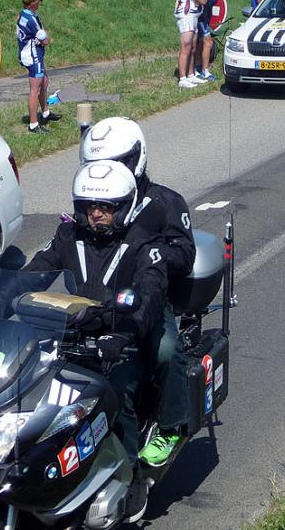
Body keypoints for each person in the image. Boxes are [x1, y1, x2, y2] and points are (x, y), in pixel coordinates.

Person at [24, 160, 170, 523]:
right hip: (70, 338)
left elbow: (150, 296)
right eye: (90, 207)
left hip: (122, 341)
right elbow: (35, 271)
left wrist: (123, 335)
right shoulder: (68, 236)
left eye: (106, 207)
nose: (97, 215)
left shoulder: (143, 244)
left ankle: (132, 478)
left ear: (123, 207)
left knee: (117, 394)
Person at [79, 116, 195, 466]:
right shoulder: (95, 203)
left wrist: (150, 257)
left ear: (135, 158)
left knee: (165, 350)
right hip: (96, 301)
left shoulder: (164, 202)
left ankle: (172, 426)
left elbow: (184, 253)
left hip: (148, 298)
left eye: (116, 163)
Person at [16, 0, 57, 134]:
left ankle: (45, 112)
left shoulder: (23, 14)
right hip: (33, 56)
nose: (40, 3)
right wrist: (46, 39)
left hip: (29, 53)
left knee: (44, 82)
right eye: (39, 1)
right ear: (33, 4)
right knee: (35, 89)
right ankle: (33, 124)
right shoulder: (32, 20)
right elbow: (45, 40)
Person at [175, 0, 209, 88]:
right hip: (186, 16)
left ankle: (191, 74)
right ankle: (182, 78)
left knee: (193, 47)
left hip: (194, 16)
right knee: (186, 46)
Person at [193, 0, 221, 83]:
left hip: (206, 14)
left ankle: (199, 66)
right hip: (201, 15)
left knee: (200, 42)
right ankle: (205, 72)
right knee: (207, 42)